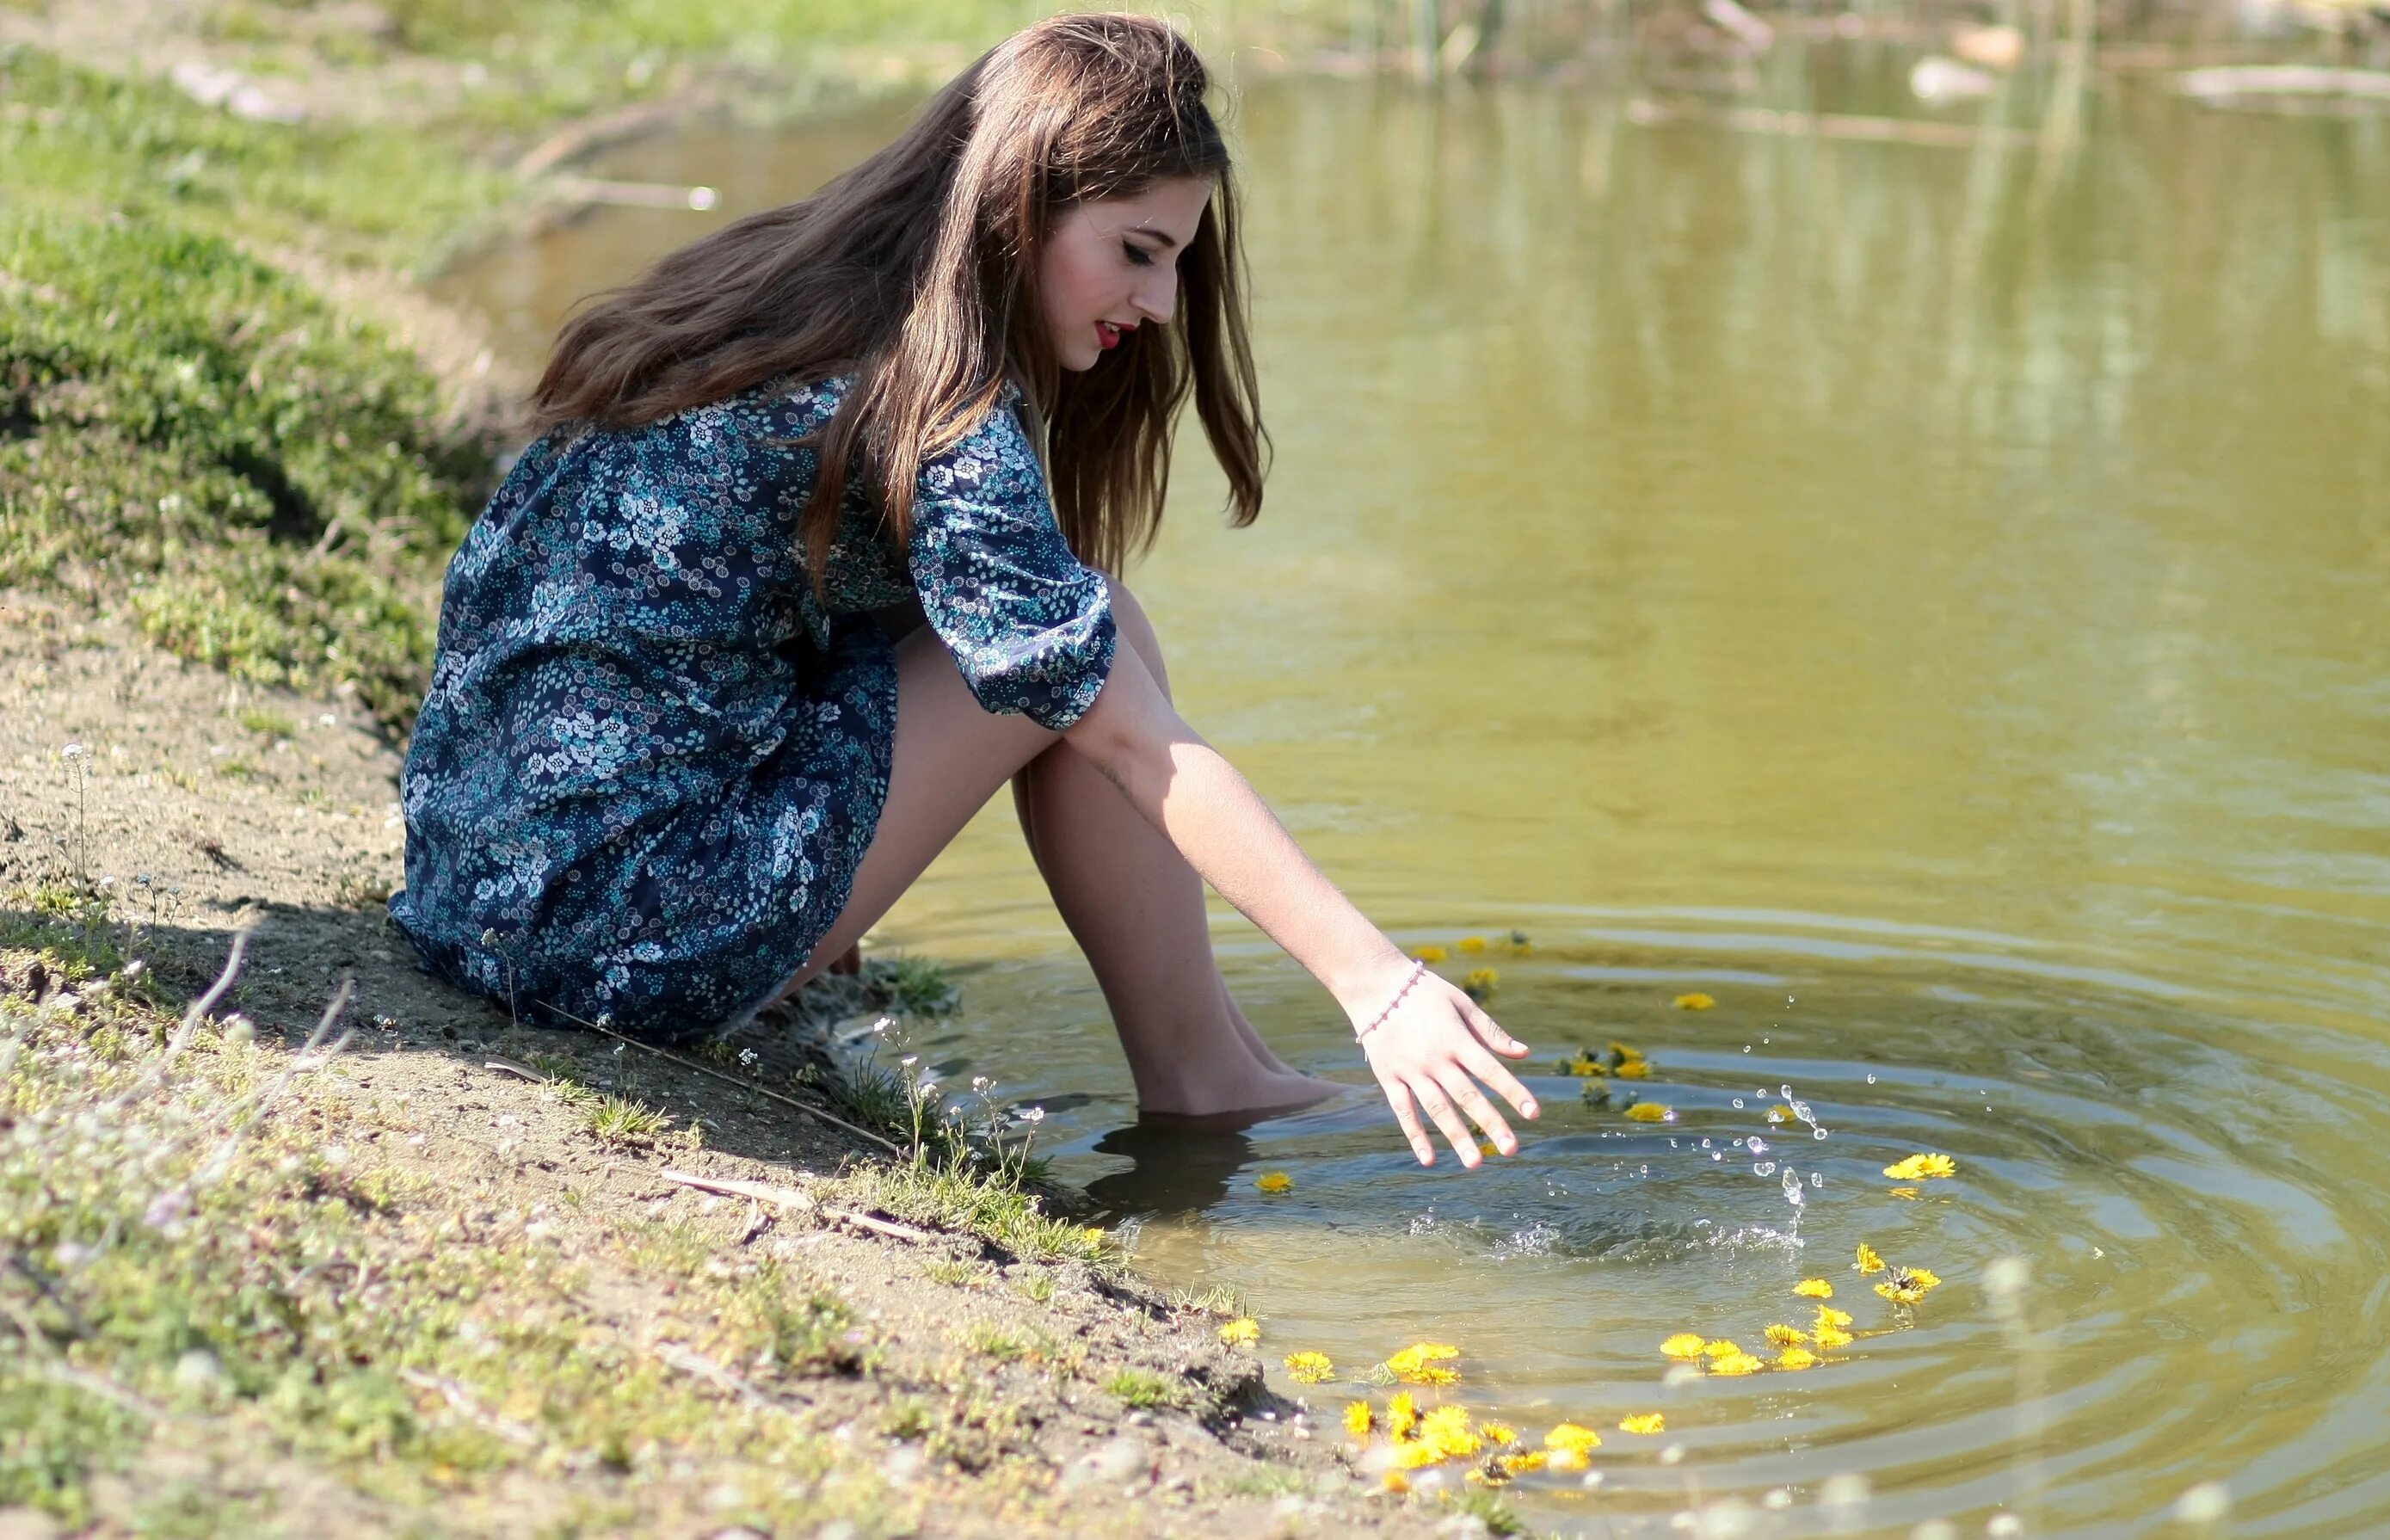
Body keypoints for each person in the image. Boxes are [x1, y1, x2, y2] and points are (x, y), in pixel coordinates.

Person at [390, 14, 1536, 1168]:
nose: (1164, 304)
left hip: (471, 879)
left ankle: (1219, 1070)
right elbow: (1136, 747)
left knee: (1060, 627)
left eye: (1179, 260)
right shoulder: (946, 417)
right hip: (612, 938)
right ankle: (1205, 1083)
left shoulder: (789, 293)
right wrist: (1375, 981)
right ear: (1020, 208)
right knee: (1089, 655)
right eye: (1139, 250)